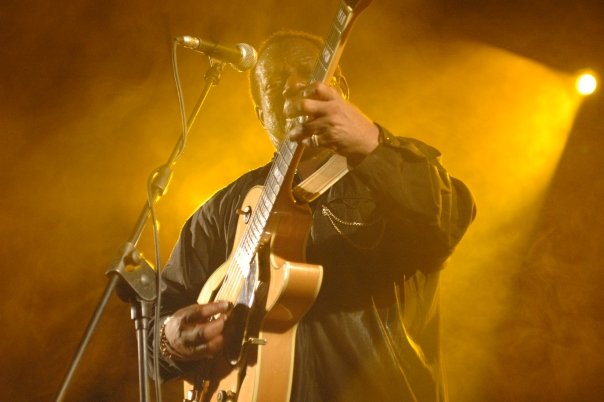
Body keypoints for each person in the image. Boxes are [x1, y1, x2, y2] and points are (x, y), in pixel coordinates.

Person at [149, 31, 476, 402]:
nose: (292, 85)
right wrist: (168, 340)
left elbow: (447, 225)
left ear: (340, 88)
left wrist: (372, 143)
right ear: (261, 115)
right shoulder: (219, 212)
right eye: (274, 83)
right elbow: (154, 327)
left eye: (307, 71)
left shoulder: (397, 167)